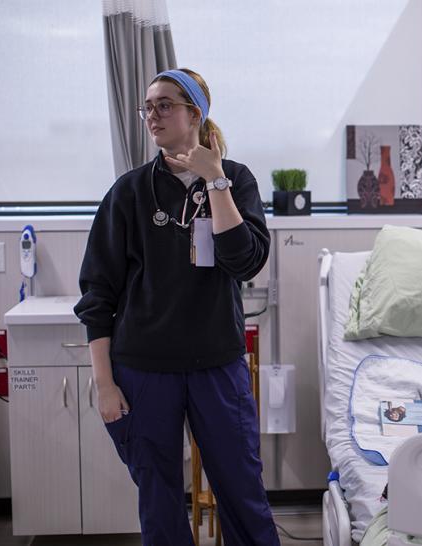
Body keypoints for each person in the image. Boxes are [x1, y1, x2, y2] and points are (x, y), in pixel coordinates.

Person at [75, 68, 280, 545]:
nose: (153, 115)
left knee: (242, 490)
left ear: (196, 113)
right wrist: (104, 385)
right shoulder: (128, 192)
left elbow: (244, 261)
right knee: (159, 502)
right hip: (144, 370)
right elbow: (97, 295)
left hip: (217, 365)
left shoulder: (236, 179)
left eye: (164, 105)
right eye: (148, 107)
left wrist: (215, 180)